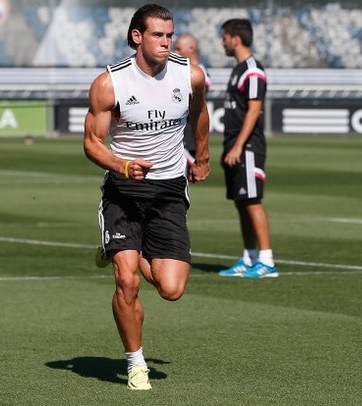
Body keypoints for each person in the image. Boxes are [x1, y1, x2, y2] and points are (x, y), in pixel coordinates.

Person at [83, 4, 210, 390]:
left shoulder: (191, 75)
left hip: (169, 189)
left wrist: (202, 155)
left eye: (169, 34)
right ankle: (136, 363)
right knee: (128, 282)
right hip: (123, 190)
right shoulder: (110, 83)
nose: (166, 42)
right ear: (137, 36)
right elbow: (91, 143)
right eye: (158, 35)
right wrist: (121, 165)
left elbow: (200, 113)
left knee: (171, 289)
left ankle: (118, 247)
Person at [217, 18, 278, 279]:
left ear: (235, 38)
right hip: (234, 144)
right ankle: (249, 257)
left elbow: (254, 111)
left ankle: (267, 261)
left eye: (224, 37)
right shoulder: (238, 69)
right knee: (242, 202)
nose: (222, 42)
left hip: (248, 146)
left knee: (252, 200)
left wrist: (239, 146)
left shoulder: (252, 70)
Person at [174, 33, 212, 172]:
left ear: (191, 48)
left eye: (178, 49)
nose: (175, 52)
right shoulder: (180, 70)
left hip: (189, 133)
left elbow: (196, 99)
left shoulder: (199, 72)